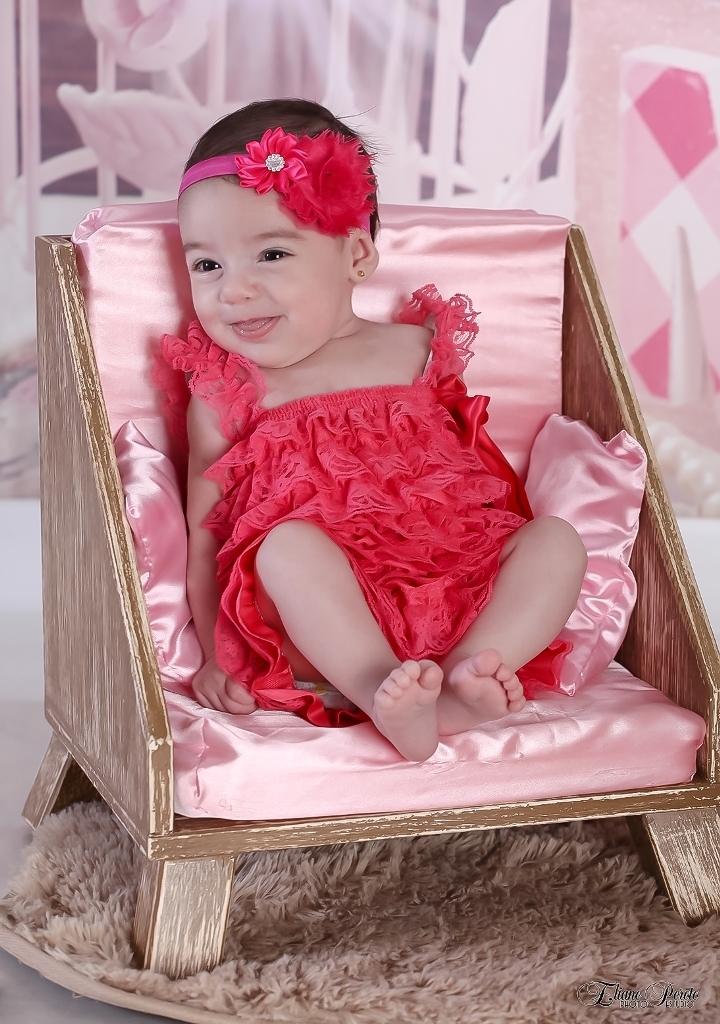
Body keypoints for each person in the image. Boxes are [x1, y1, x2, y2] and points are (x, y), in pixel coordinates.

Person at [162, 98, 587, 763]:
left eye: (270, 254)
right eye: (206, 265)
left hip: (455, 589)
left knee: (557, 541)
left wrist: (492, 561)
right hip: (327, 621)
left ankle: (469, 674)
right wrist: (221, 654)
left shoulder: (415, 350)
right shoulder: (229, 386)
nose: (233, 291)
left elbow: (480, 474)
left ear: (356, 255)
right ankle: (380, 689)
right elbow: (207, 530)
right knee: (284, 548)